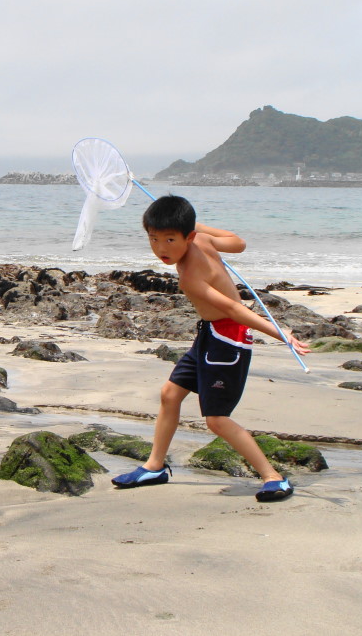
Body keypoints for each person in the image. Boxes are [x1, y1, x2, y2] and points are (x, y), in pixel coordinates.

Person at [112, 195, 310, 502]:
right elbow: (238, 242)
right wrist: (191, 227)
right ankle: (155, 466)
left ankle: (274, 477)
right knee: (170, 394)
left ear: (187, 236)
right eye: (153, 239)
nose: (161, 249)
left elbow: (233, 308)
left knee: (216, 419)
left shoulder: (191, 275)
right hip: (209, 334)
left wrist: (279, 333)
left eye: (170, 239)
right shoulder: (201, 240)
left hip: (228, 340)